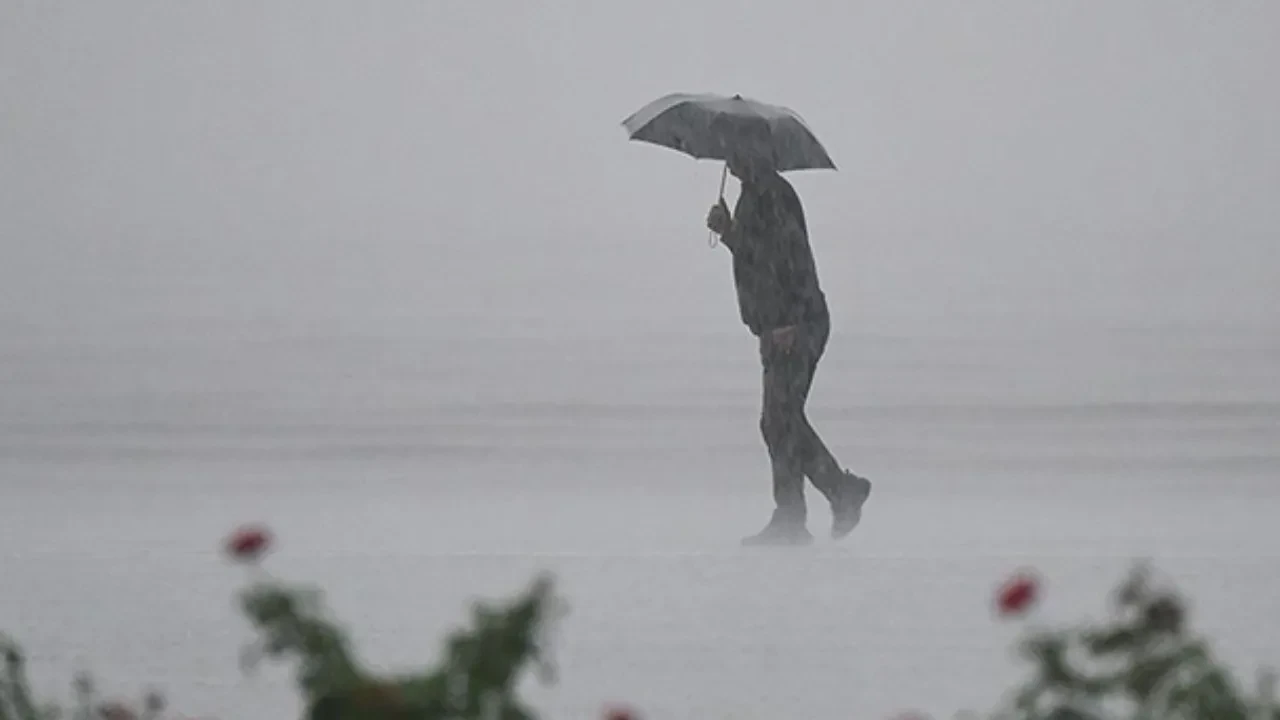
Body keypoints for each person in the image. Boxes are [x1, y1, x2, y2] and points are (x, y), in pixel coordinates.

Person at [705, 151, 872, 546]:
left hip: (797, 324)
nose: (729, 160)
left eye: (735, 151)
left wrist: (790, 320)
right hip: (777, 324)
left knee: (781, 419)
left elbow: (793, 260)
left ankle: (825, 499)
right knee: (778, 421)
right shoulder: (753, 194)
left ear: (753, 152)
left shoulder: (774, 195)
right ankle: (798, 513)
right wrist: (728, 233)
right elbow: (757, 257)